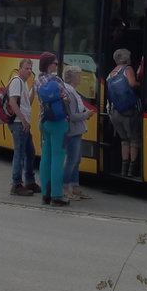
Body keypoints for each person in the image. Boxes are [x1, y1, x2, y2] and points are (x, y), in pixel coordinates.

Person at [35, 51, 70, 206]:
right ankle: (57, 195)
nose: (56, 66)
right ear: (50, 65)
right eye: (55, 63)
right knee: (58, 158)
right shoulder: (56, 80)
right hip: (59, 123)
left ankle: (45, 194)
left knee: (46, 158)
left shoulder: (37, 79)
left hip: (44, 122)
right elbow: (67, 97)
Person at [7, 58, 39, 196]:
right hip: (18, 124)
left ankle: (30, 181)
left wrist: (34, 90)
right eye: (26, 68)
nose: (29, 71)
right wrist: (23, 120)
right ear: (20, 69)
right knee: (19, 154)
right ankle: (16, 184)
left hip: (23, 124)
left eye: (30, 68)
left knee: (30, 152)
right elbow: (12, 102)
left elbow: (27, 103)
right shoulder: (16, 82)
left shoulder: (24, 84)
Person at [62, 64, 94, 200]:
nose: (80, 78)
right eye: (78, 75)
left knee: (76, 160)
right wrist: (87, 115)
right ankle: (64, 188)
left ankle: (75, 187)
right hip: (73, 131)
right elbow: (73, 116)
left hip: (75, 131)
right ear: (72, 78)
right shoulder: (69, 92)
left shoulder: (71, 90)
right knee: (72, 160)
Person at [108, 48, 142, 177]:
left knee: (124, 140)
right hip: (129, 110)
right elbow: (132, 84)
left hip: (115, 112)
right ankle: (131, 170)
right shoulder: (127, 69)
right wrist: (140, 84)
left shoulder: (111, 73)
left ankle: (123, 167)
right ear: (127, 58)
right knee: (134, 139)